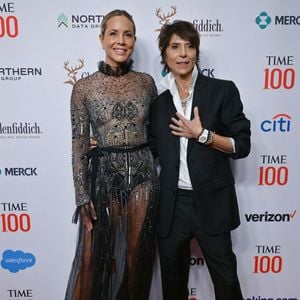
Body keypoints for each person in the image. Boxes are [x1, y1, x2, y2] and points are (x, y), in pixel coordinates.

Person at [148, 20, 251, 300]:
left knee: (227, 284)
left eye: (189, 46)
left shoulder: (222, 91)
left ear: (196, 52)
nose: (183, 53)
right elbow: (150, 150)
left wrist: (203, 135)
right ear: (164, 53)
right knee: (172, 286)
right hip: (172, 206)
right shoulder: (158, 103)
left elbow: (242, 145)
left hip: (212, 202)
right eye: (175, 46)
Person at [65, 10, 159, 300]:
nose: (121, 41)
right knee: (93, 261)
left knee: (136, 259)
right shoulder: (83, 88)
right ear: (102, 39)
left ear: (133, 40)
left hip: (143, 176)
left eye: (128, 34)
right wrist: (81, 195)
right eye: (114, 34)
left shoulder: (146, 83)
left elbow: (155, 134)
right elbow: (79, 143)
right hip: (103, 177)